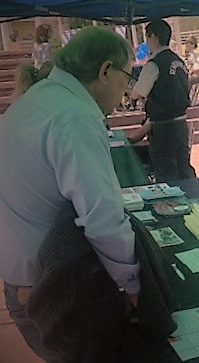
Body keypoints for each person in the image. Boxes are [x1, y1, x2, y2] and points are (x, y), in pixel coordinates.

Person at [0, 26, 141, 361]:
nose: (126, 91)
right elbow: (102, 216)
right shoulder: (74, 115)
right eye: (127, 78)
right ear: (106, 71)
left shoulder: (35, 100)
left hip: (21, 280)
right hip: (53, 291)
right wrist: (133, 286)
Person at [129, 19, 196, 182]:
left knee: (166, 174)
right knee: (184, 170)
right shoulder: (179, 61)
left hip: (162, 128)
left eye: (147, 37)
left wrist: (128, 86)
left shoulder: (153, 64)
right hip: (181, 125)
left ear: (154, 37)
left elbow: (136, 94)